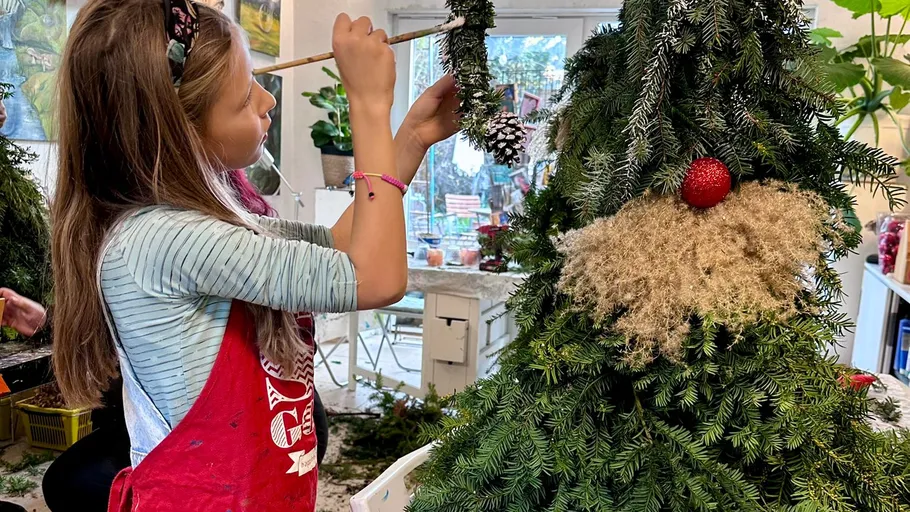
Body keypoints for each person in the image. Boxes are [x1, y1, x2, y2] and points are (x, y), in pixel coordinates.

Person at [50, 1, 459, 511]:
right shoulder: (158, 238)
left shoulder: (198, 226)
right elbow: (374, 277)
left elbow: (343, 246)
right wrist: (369, 107)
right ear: (179, 129)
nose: (268, 101)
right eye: (246, 96)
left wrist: (412, 137)